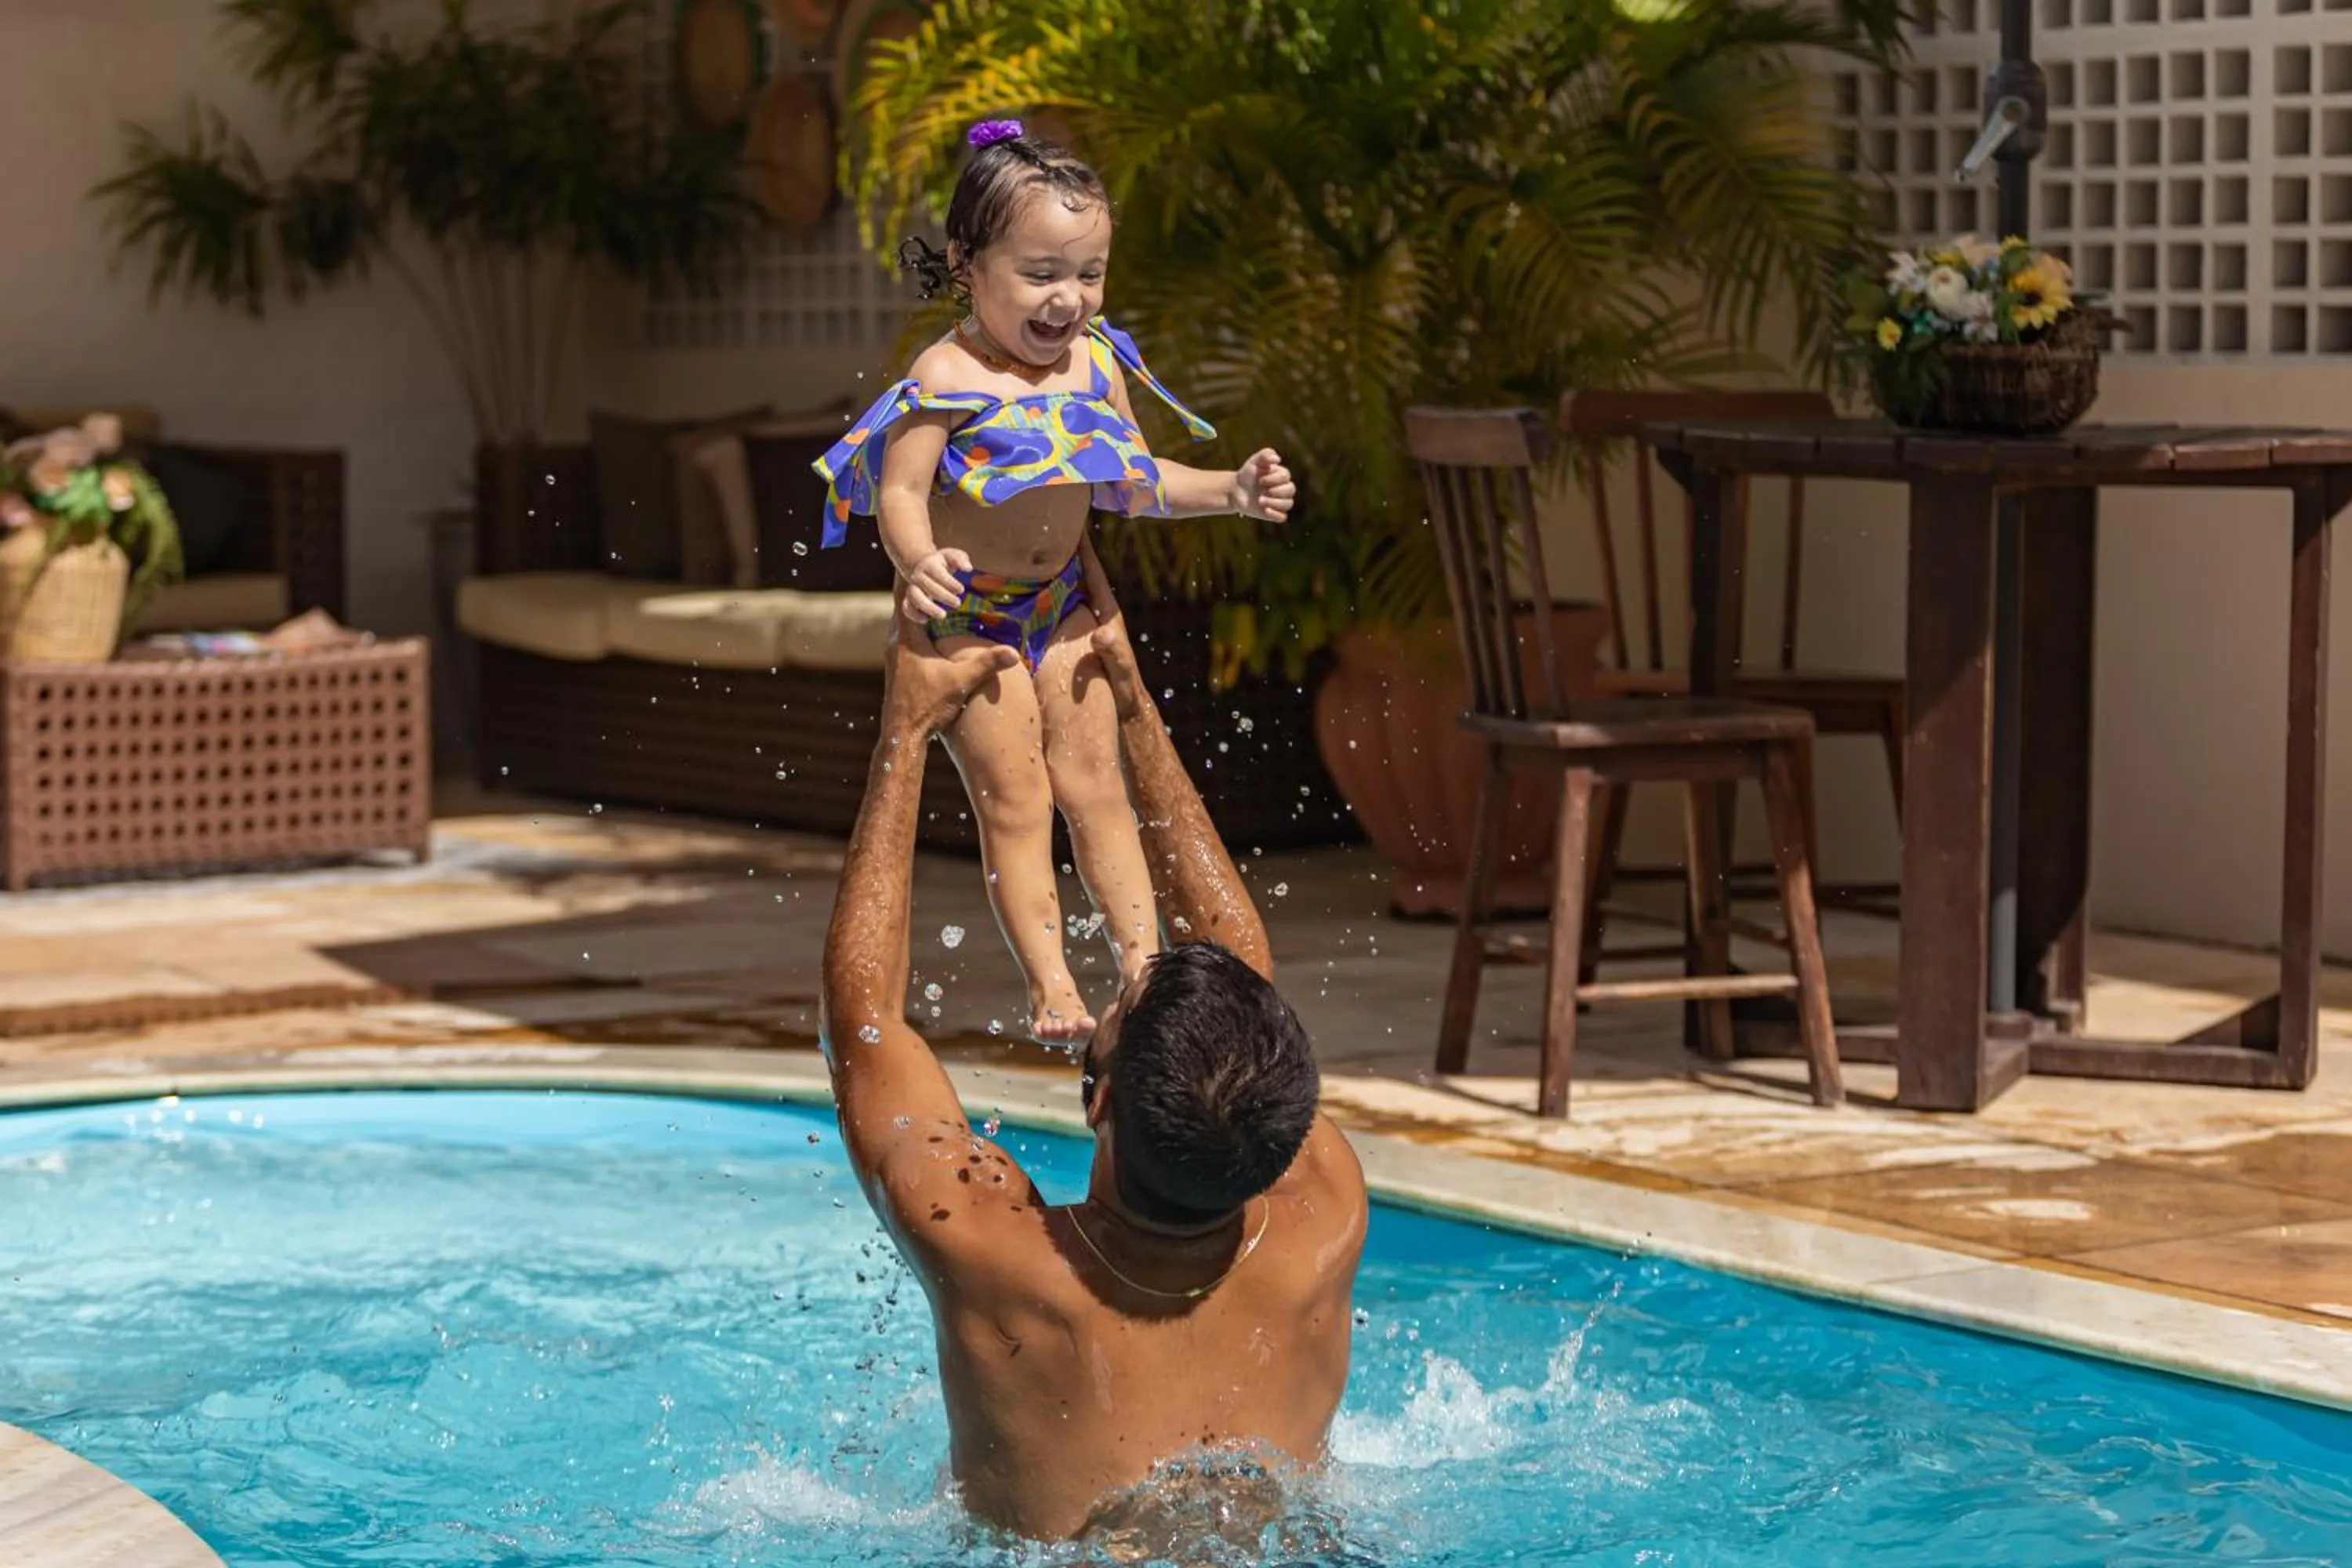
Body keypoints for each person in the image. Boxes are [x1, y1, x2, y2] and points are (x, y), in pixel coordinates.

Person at [818, 546, 1367, 1544]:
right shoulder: (1322, 1209)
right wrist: (1131, 702)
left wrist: (904, 732)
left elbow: (867, 1029)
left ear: (1097, 1098)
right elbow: (1244, 975)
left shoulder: (995, 1253)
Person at [812, 118, 1295, 1044]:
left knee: (1095, 783)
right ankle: (1051, 984)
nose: (1068, 300)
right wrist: (919, 566)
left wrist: (1230, 489)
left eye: (1089, 273)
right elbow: (899, 493)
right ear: (967, 263)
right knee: (1018, 798)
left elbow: (1136, 482)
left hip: (1063, 607)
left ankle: (1142, 962)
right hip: (976, 618)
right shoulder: (946, 376)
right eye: (1041, 275)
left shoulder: (1095, 363)